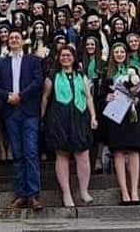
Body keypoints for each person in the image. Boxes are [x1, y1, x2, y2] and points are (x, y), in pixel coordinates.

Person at [0, 28, 44, 210]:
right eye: (11, 38)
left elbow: (38, 82)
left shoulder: (33, 60)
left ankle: (34, 195)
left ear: (23, 41)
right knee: (18, 154)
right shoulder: (2, 63)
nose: (14, 40)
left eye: (17, 37)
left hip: (28, 111)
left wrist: (20, 96)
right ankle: (21, 194)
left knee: (30, 152)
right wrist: (7, 96)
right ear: (8, 42)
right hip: (11, 112)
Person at [42, 45, 98, 207]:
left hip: (80, 117)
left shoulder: (82, 76)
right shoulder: (52, 77)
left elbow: (88, 97)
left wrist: (93, 116)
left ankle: (84, 191)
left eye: (69, 55)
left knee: (83, 155)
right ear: (58, 58)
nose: (66, 58)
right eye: (62, 55)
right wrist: (43, 117)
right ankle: (66, 193)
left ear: (74, 58)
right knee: (62, 155)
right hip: (59, 118)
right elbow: (45, 98)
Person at [102, 43, 140, 204]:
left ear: (126, 54)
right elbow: (101, 97)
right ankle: (124, 192)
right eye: (116, 51)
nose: (119, 54)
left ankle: (134, 191)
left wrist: (137, 98)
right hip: (115, 116)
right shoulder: (107, 74)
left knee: (134, 151)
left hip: (132, 115)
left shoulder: (134, 72)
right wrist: (106, 98)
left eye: (122, 51)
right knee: (118, 152)